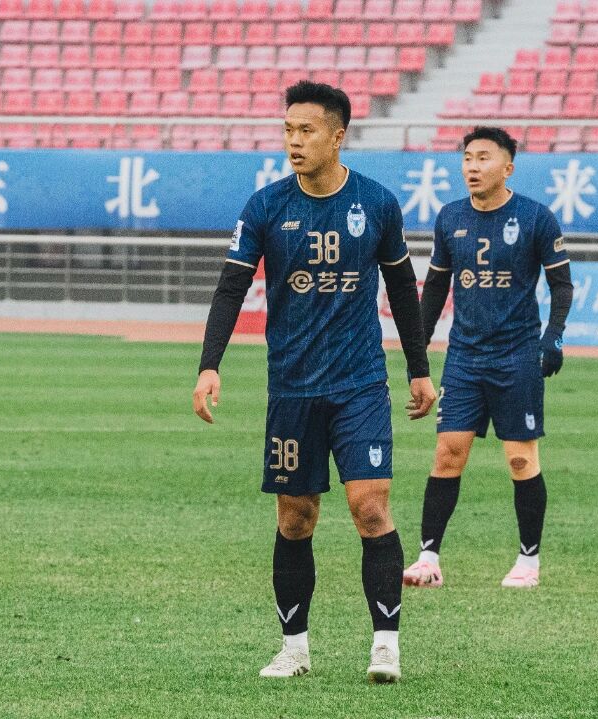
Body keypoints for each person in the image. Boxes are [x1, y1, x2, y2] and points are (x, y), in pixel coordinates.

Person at [192, 81, 436, 683]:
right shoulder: (266, 207)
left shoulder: (376, 203)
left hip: (360, 386)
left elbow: (403, 289)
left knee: (370, 506)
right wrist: (209, 364)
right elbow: (230, 288)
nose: (294, 141)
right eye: (288, 130)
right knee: (295, 518)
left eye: (306, 130)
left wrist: (419, 368)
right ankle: (294, 648)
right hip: (292, 389)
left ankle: (385, 646)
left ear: (337, 136)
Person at [402, 126, 574, 591]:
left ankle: (528, 561)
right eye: (467, 158)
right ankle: (428, 559)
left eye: (483, 158)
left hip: (517, 357)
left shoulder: (535, 217)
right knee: (447, 453)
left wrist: (552, 336)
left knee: (520, 459)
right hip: (464, 357)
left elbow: (561, 285)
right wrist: (418, 352)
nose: (472, 167)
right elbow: (435, 288)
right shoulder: (450, 217)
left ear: (507, 167)